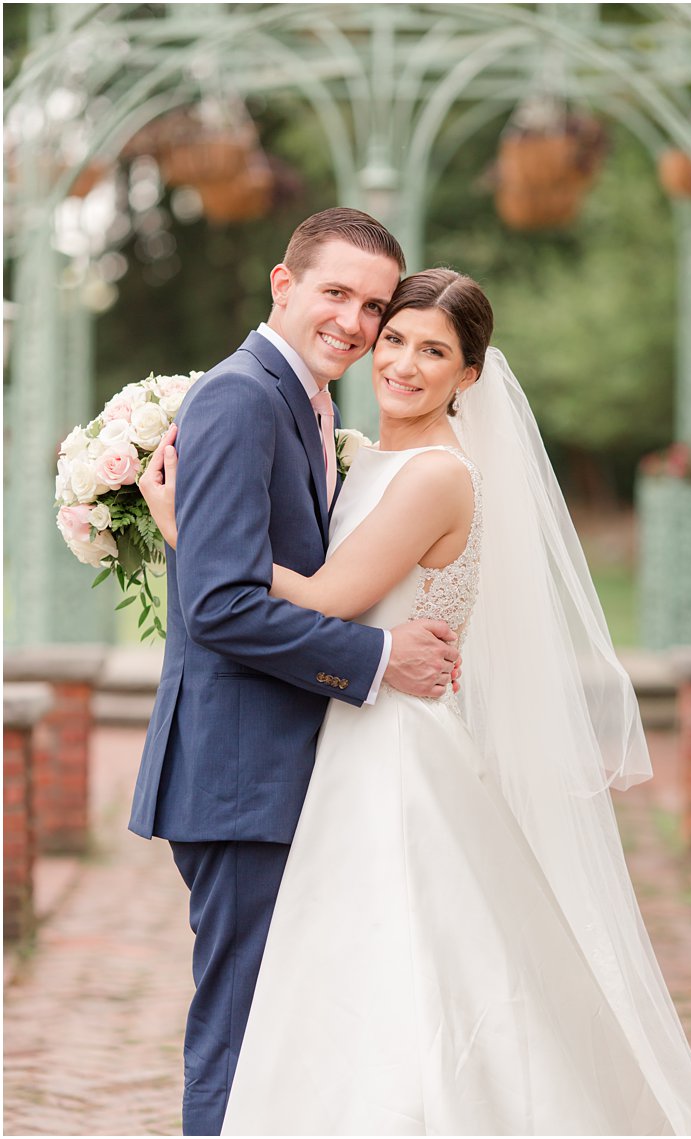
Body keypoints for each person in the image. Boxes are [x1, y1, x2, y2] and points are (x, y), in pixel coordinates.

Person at [142, 267, 691, 1134]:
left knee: (410, 968)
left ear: (471, 376)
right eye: (398, 338)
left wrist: (194, 532)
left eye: (435, 351)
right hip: (352, 734)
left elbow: (334, 595)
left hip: (397, 749)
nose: (405, 363)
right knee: (345, 981)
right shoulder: (366, 455)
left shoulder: (436, 477)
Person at [128, 207, 463, 1136]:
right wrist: (381, 656)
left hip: (279, 763)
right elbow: (220, 605)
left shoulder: (309, 402)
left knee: (282, 1026)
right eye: (336, 293)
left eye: (373, 305)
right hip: (242, 769)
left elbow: (247, 571)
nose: (356, 323)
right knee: (240, 1026)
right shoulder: (241, 397)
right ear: (283, 284)